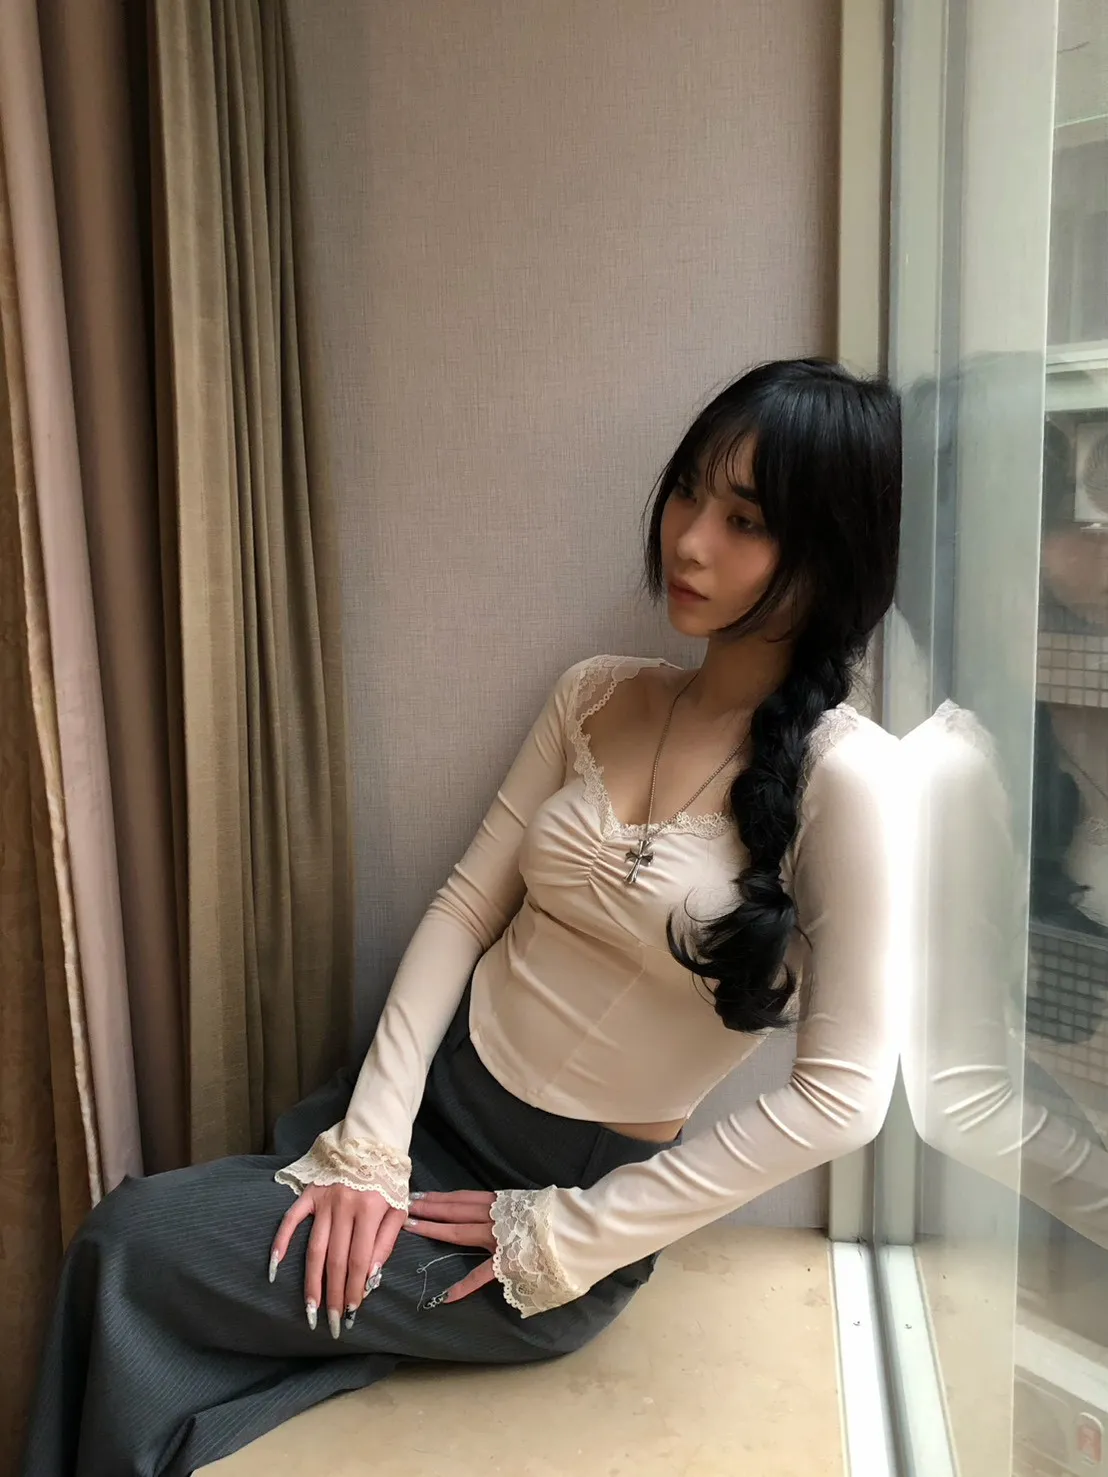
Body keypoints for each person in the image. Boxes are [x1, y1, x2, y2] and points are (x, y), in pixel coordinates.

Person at [21, 358, 903, 1477]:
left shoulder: (846, 779)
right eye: (689, 492)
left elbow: (843, 1098)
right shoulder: (596, 691)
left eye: (746, 521)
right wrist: (371, 1146)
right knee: (149, 1279)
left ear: (827, 551)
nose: (688, 542)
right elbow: (463, 906)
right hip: (412, 1104)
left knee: (127, 1242)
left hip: (545, 1206)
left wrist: (572, 1231)